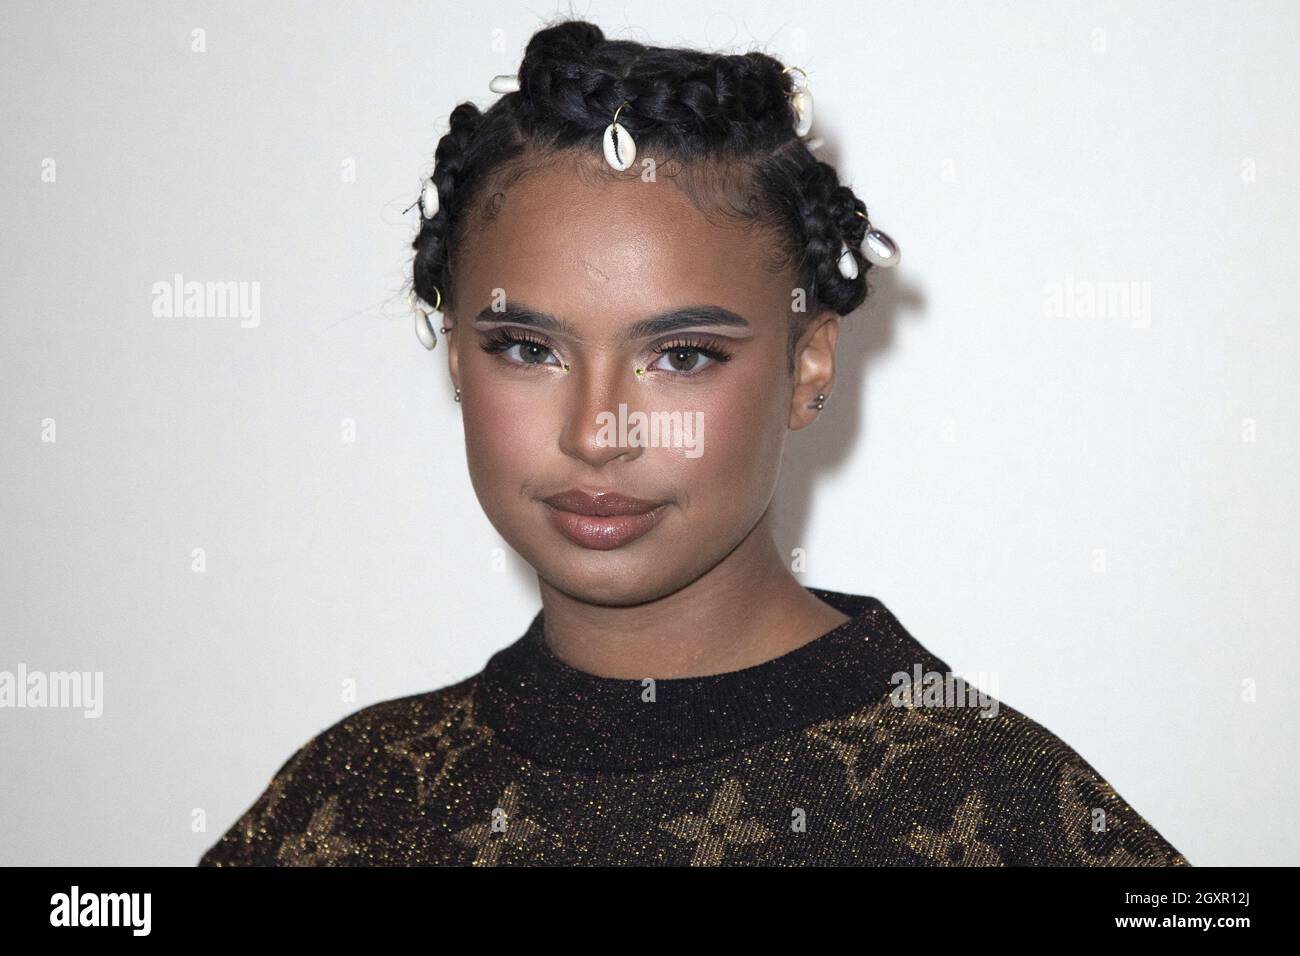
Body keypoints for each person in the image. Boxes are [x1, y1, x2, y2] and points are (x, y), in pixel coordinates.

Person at [199, 18, 1188, 866]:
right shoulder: (351, 801)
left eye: (679, 354)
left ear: (807, 366)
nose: (597, 431)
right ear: (457, 353)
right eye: (527, 346)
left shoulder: (992, 812)